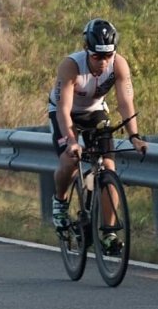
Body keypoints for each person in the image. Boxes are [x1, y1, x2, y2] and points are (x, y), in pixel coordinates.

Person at [48, 18, 148, 251]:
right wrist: (72, 141)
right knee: (70, 159)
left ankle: (108, 233)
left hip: (95, 111)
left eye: (108, 56)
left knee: (109, 168)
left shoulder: (119, 65)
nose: (103, 62)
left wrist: (134, 136)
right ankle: (60, 202)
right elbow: (63, 110)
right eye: (97, 56)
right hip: (65, 113)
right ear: (87, 50)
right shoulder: (71, 66)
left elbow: (125, 102)